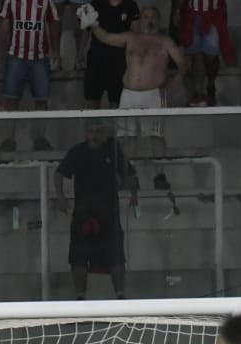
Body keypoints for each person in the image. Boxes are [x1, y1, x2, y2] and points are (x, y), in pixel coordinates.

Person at [84, 4, 184, 206]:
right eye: (146, 16)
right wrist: (93, 24)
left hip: (153, 95)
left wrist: (179, 77)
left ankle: (160, 174)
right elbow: (106, 38)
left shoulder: (165, 42)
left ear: (158, 20)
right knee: (126, 137)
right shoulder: (130, 37)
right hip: (128, 94)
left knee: (155, 136)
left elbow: (183, 63)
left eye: (153, 17)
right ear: (140, 20)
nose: (149, 20)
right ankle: (129, 173)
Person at [54, 120, 136, 298]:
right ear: (86, 133)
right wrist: (60, 197)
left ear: (105, 132)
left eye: (99, 131)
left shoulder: (113, 150)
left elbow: (129, 173)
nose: (95, 135)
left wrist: (133, 194)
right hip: (83, 213)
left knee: (116, 256)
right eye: (91, 131)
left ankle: (120, 296)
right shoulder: (78, 151)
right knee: (78, 258)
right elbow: (59, 173)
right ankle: (80, 297)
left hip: (109, 213)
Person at [0, 0, 59, 150]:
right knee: (10, 100)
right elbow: (4, 26)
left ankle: (39, 140)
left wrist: (56, 51)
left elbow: (53, 24)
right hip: (15, 56)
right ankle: (8, 140)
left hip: (40, 57)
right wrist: (0, 53)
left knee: (41, 101)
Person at [170, 0, 229, 104]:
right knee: (196, 55)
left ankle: (210, 85)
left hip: (213, 14)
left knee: (211, 55)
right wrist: (177, 11)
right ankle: (199, 93)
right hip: (191, 15)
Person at [83, 0, 138, 108]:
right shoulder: (95, 4)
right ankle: (92, 125)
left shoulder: (130, 4)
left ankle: (114, 126)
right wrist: (80, 52)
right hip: (96, 58)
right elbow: (86, 29)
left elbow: (136, 33)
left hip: (120, 60)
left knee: (116, 102)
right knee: (92, 101)